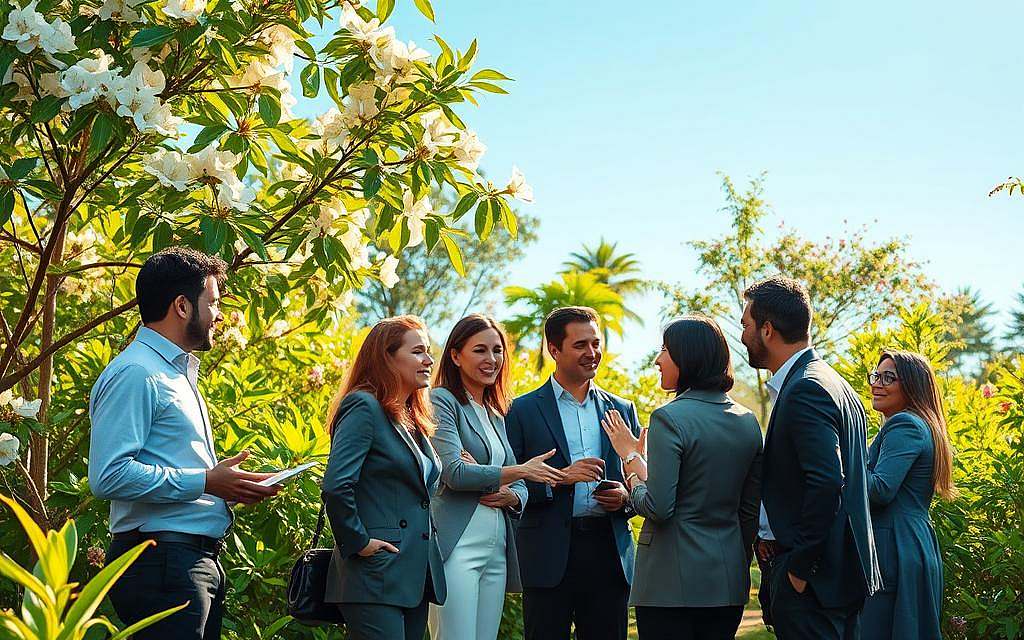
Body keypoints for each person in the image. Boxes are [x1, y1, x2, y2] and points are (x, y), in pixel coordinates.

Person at [89, 247, 281, 640]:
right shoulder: (137, 373)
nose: (220, 314)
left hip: (186, 561)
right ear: (181, 305)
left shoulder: (171, 373)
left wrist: (227, 486)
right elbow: (108, 476)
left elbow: (176, 470)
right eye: (212, 302)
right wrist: (206, 482)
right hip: (161, 562)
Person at [602, 315, 763, 640]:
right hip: (726, 582)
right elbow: (748, 512)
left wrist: (632, 475)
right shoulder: (747, 421)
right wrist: (736, 562)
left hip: (668, 586)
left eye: (665, 349)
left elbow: (660, 506)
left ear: (688, 357)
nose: (658, 360)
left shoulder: (668, 417)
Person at [739, 276, 880, 640]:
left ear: (767, 330)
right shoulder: (834, 383)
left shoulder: (805, 388)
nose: (742, 336)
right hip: (835, 577)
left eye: (746, 325)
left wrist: (798, 570)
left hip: (814, 583)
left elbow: (828, 481)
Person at [505, 306, 641, 640]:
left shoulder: (622, 409)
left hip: (609, 553)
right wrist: (558, 479)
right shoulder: (520, 410)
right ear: (554, 349)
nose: (592, 353)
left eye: (596, 343)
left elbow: (641, 478)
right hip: (546, 555)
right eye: (581, 345)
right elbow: (512, 481)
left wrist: (625, 498)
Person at [427, 314, 566, 640]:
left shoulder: (496, 412)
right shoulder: (441, 401)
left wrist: (514, 491)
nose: (491, 360)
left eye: (497, 350)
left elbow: (516, 486)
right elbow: (455, 473)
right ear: (456, 355)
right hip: (455, 546)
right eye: (480, 350)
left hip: (497, 548)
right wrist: (519, 471)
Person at [321, 315, 446, 640]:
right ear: (386, 357)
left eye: (428, 351)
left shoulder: (413, 420)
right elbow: (337, 485)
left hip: (414, 576)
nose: (429, 360)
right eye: (418, 351)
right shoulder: (363, 406)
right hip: (375, 573)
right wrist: (358, 542)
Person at [861, 350, 954, 640]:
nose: (878, 383)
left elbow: (879, 490)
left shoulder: (906, 425)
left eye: (889, 377)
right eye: (876, 375)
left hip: (895, 547)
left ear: (912, 385)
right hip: (909, 542)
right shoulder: (915, 424)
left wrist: (842, 456)